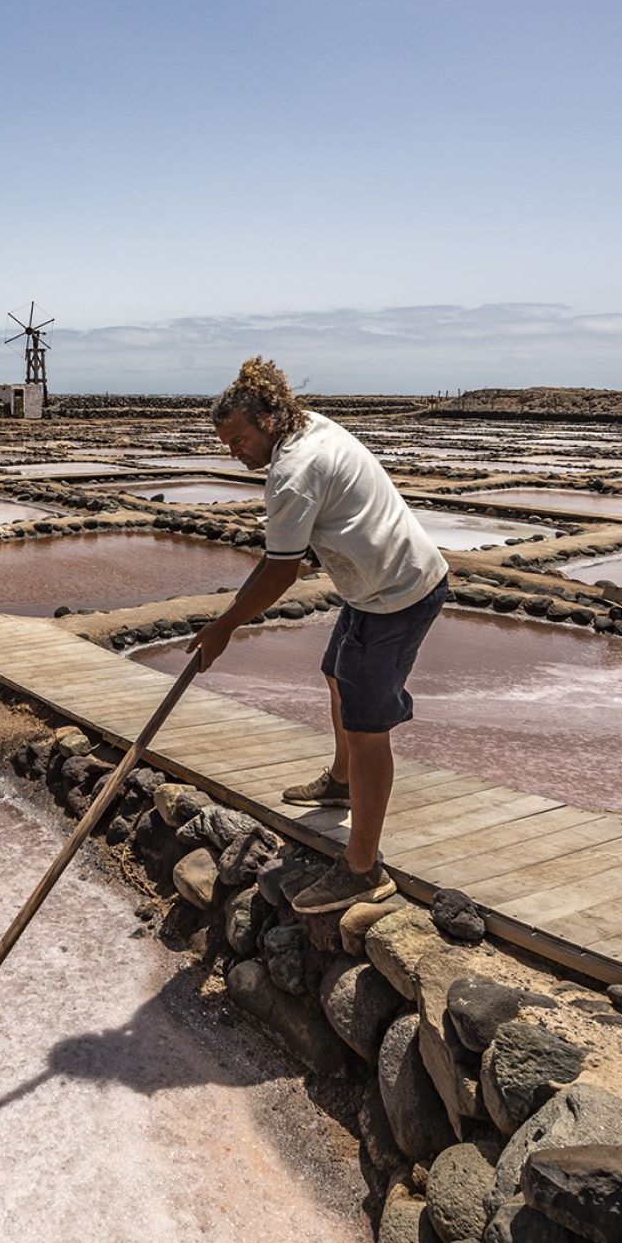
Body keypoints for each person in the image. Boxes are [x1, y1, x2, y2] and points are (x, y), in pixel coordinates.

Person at [186, 356, 448, 913]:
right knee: (337, 674)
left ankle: (362, 868)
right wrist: (226, 620)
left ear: (267, 418)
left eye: (239, 440)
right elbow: (285, 555)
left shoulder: (293, 471)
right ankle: (341, 782)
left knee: (367, 725)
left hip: (395, 596)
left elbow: (281, 569)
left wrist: (225, 627)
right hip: (374, 585)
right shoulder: (306, 423)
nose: (237, 454)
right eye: (227, 446)